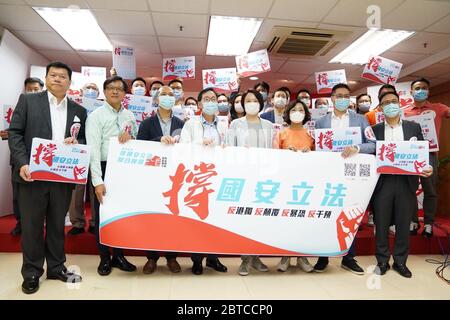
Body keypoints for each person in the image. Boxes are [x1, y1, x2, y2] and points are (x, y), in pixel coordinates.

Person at [8, 61, 86, 294]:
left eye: (63, 76)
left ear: (69, 83)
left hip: (61, 177)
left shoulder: (78, 111)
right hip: (32, 175)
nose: (58, 79)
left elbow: (82, 140)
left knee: (56, 224)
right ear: (47, 77)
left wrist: (77, 143)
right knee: (32, 226)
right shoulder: (29, 101)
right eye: (53, 75)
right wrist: (22, 163)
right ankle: (32, 272)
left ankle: (56, 267)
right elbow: (15, 133)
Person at [314, 83, 375, 275]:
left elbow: (373, 144)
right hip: (329, 175)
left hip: (352, 175)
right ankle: (323, 257)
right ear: (332, 98)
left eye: (346, 96)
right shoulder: (321, 122)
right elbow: (317, 147)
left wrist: (357, 148)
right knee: (326, 214)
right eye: (338, 95)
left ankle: (349, 258)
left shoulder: (361, 119)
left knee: (351, 214)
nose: (342, 99)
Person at [372, 91, 433, 278]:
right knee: (381, 223)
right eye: (386, 102)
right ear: (381, 108)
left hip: (407, 181)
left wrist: (427, 165)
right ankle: (382, 261)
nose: (391, 105)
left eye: (394, 101)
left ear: (399, 104)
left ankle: (400, 261)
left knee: (403, 222)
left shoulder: (413, 127)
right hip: (383, 181)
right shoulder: (374, 130)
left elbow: (422, 150)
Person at [86, 76, 138, 276]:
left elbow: (135, 140)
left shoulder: (130, 116)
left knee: (120, 215)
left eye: (119, 88)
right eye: (111, 88)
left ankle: (119, 255)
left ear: (125, 93)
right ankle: (104, 258)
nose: (115, 91)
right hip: (104, 167)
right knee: (102, 216)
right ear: (105, 92)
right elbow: (93, 151)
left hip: (124, 170)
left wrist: (131, 138)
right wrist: (97, 181)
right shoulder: (96, 116)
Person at [179, 88, 228, 275]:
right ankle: (197, 260)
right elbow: (183, 147)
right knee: (198, 219)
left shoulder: (223, 124)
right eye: (206, 99)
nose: (210, 102)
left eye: (213, 99)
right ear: (199, 104)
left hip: (218, 175)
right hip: (197, 176)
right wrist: (200, 144)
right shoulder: (190, 123)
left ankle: (213, 258)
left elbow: (228, 146)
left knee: (216, 220)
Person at [137, 86, 184, 274]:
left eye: (171, 95)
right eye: (163, 94)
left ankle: (172, 257)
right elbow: (140, 147)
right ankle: (152, 257)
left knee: (174, 218)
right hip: (153, 176)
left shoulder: (182, 123)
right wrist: (159, 140)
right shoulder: (146, 123)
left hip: (175, 177)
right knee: (153, 218)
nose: (167, 97)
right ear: (156, 99)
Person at [226, 90, 273, 276]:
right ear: (242, 104)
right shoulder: (236, 124)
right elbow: (229, 149)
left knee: (260, 218)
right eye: (248, 100)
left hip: (263, 178)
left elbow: (273, 150)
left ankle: (256, 256)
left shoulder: (269, 125)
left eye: (255, 100)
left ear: (261, 103)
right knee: (244, 219)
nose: (252, 103)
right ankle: (245, 259)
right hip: (242, 177)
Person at [403, 78, 450, 237]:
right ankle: (413, 221)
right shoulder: (405, 111)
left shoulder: (438, 108)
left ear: (428, 91)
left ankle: (429, 224)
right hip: (410, 154)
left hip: (430, 154)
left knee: (430, 190)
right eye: (417, 88)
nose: (421, 90)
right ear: (411, 92)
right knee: (410, 189)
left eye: (424, 88)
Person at [273, 99, 315, 273]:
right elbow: (273, 157)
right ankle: (285, 257)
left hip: (307, 184)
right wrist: (285, 153)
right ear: (288, 113)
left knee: (304, 221)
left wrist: (310, 153)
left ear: (305, 114)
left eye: (301, 110)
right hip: (286, 184)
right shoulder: (281, 134)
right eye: (294, 110)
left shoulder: (311, 134)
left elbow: (322, 157)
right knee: (286, 220)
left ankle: (302, 257)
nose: (297, 112)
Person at [5, 77, 45, 237]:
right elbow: (14, 132)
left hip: (41, 160)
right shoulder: (22, 105)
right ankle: (20, 222)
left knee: (39, 195)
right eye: (29, 89)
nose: (33, 92)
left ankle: (38, 223)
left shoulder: (47, 110)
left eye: (36, 89)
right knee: (18, 194)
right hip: (20, 159)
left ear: (42, 89)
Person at [67, 83, 100, 235]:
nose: (91, 91)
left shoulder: (102, 108)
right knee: (76, 188)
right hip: (77, 149)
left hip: (97, 150)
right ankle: (77, 222)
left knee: (95, 186)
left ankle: (95, 221)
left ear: (99, 92)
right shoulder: (74, 107)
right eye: (88, 88)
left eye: (94, 88)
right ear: (81, 91)